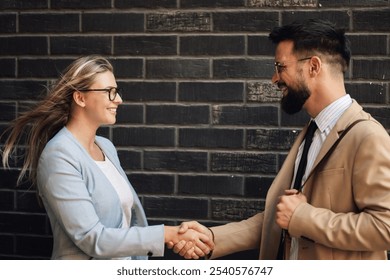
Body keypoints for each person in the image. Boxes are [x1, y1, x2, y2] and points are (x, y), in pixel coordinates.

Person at [170, 19, 390, 260]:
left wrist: (303, 218)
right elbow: (281, 218)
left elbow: (384, 226)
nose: (275, 78)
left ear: (313, 67)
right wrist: (212, 238)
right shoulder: (312, 132)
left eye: (280, 66)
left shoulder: (367, 135)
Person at [1, 55, 213, 260]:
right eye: (109, 92)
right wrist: (168, 234)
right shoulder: (59, 155)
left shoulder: (106, 147)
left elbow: (127, 223)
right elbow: (91, 238)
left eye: (117, 91)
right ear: (80, 98)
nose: (119, 100)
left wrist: (175, 237)